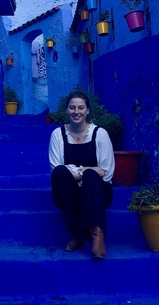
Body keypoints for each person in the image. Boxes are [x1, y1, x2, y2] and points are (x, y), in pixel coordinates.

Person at [49, 90, 115, 260]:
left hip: (97, 194)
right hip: (68, 193)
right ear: (66, 110)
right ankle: (77, 234)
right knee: (61, 173)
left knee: (93, 177)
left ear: (87, 111)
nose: (76, 112)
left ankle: (97, 236)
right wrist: (86, 170)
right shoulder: (58, 135)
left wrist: (83, 173)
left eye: (80, 108)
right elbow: (56, 171)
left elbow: (106, 173)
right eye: (72, 108)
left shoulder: (100, 134)